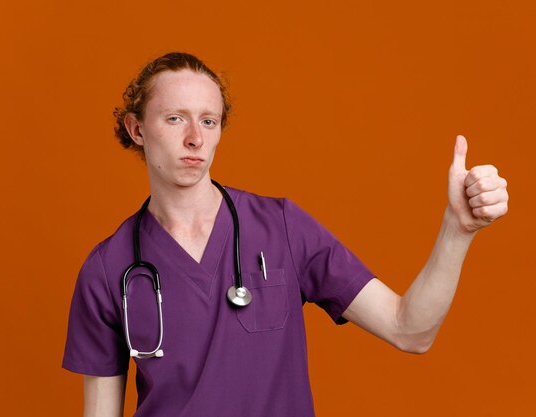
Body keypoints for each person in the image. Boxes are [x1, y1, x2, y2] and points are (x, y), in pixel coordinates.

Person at [62, 52, 509, 417]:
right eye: (175, 119)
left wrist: (458, 229)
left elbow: (410, 330)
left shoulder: (281, 228)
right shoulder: (108, 269)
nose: (195, 138)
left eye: (209, 121)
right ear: (137, 129)